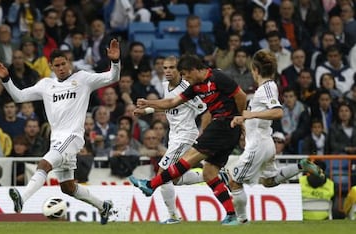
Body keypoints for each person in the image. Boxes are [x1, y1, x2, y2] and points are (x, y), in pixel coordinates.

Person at [0, 38, 121, 225]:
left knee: (44, 163)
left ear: (68, 63)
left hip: (73, 137)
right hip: (57, 140)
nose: (61, 68)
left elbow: (112, 77)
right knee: (67, 187)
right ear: (51, 66)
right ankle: (103, 207)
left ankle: (22, 197)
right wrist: (6, 79)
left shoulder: (83, 79)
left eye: (64, 63)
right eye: (57, 65)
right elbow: (18, 96)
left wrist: (115, 62)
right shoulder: (46, 85)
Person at [129, 54, 247, 225]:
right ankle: (231, 215)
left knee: (183, 162)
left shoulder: (217, 77)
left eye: (185, 73)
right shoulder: (194, 86)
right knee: (208, 173)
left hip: (221, 124)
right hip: (222, 130)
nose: (184, 78)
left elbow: (241, 96)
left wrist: (239, 117)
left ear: (193, 70)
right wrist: (149, 104)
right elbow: (172, 103)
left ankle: (151, 186)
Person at [228, 49, 325, 224]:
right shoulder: (264, 89)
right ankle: (300, 166)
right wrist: (243, 119)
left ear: (255, 70)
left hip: (257, 145)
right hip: (265, 143)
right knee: (269, 181)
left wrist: (251, 116)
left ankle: (240, 221)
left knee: (234, 182)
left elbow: (278, 112)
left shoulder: (267, 87)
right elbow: (259, 115)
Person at [133, 56, 209, 224]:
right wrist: (146, 111)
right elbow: (168, 104)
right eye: (165, 67)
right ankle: (212, 176)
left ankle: (173, 216)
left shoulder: (186, 88)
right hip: (174, 136)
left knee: (163, 174)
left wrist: (205, 131)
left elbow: (204, 108)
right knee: (174, 178)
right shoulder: (165, 85)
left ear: (179, 70)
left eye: (171, 68)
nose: (167, 71)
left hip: (185, 135)